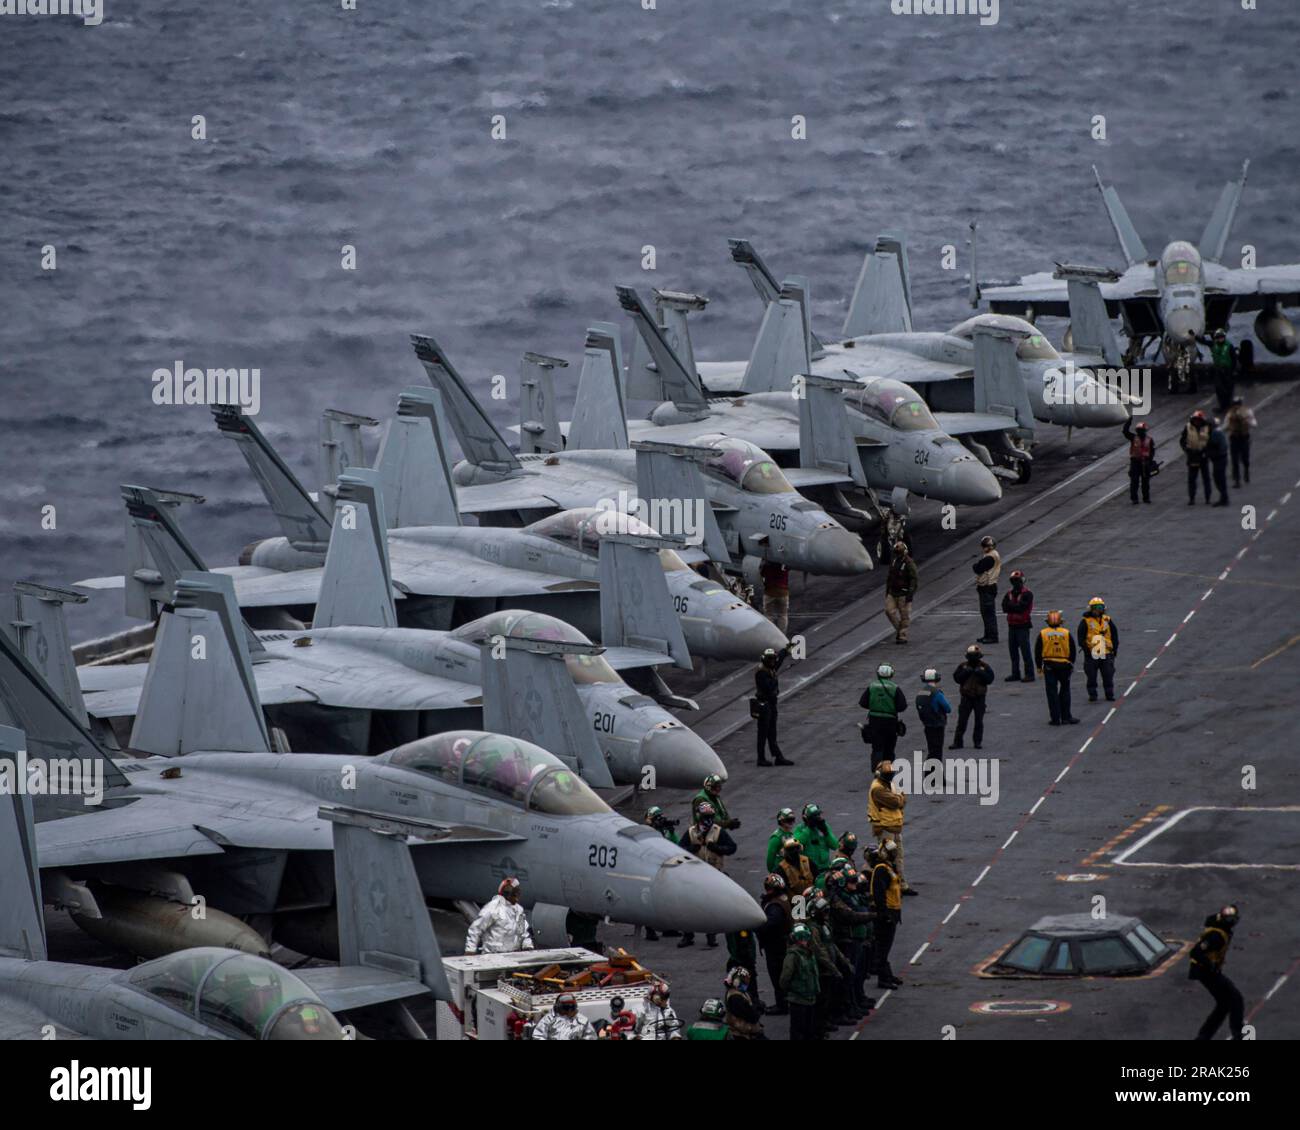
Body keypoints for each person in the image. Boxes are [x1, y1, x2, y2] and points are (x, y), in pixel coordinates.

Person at [677, 803, 736, 948]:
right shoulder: (691, 832)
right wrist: (691, 849)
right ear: (699, 817)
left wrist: (717, 848)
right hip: (694, 874)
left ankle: (711, 935)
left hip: (713, 873)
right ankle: (687, 935)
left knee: (711, 906)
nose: (708, 820)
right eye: (705, 817)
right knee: (689, 905)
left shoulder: (718, 832)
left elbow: (732, 847)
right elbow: (678, 849)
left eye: (710, 817)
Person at [1189, 905, 1244, 1041]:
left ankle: (1203, 1036)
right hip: (1205, 971)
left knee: (1224, 1004)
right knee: (1236, 999)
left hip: (1209, 971)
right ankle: (1238, 1034)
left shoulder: (1221, 927)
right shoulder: (1216, 935)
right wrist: (1211, 965)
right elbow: (1195, 952)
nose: (1232, 922)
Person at [868, 759, 914, 895]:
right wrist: (900, 798)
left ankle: (901, 884)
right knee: (887, 859)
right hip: (885, 828)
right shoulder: (877, 788)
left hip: (893, 826)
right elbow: (896, 802)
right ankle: (889, 887)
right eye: (888, 774)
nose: (890, 776)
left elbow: (900, 800)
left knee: (898, 856)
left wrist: (900, 798)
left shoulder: (888, 784)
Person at [464, 877, 534, 954]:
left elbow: (523, 931)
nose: (517, 899)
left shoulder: (518, 910)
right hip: (492, 956)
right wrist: (470, 950)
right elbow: (476, 929)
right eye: (514, 895)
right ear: (507, 894)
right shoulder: (493, 908)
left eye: (518, 894)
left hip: (513, 956)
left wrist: (528, 946)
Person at [870, 839, 904, 991]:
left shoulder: (889, 867)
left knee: (886, 946)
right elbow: (879, 894)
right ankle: (883, 979)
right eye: (891, 852)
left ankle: (887, 974)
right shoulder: (881, 869)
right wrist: (884, 914)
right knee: (883, 947)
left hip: (893, 912)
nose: (894, 854)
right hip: (887, 914)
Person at [859, 661, 908, 768]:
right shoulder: (895, 688)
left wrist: (875, 706)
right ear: (891, 674)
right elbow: (902, 706)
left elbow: (862, 703)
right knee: (889, 748)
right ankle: (887, 771)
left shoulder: (871, 686)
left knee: (877, 747)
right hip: (890, 722)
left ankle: (877, 768)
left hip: (875, 720)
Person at [1035, 610, 1080, 726]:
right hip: (1064, 665)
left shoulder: (1043, 633)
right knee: (1065, 690)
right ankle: (1066, 717)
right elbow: (1073, 650)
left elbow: (1038, 651)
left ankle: (1055, 718)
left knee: (1051, 693)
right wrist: (1071, 663)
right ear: (1061, 622)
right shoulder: (1066, 633)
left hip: (1049, 665)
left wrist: (1039, 666)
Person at [754, 644, 795, 767]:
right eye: (770, 659)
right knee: (763, 733)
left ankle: (778, 756)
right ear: (765, 659)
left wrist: (785, 651)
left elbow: (778, 661)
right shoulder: (762, 672)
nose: (773, 661)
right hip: (764, 705)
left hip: (770, 705)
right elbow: (768, 687)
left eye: (773, 658)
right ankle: (761, 758)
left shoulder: (768, 668)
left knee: (771, 733)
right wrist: (774, 679)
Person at [757, 873, 792, 1015]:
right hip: (785, 942)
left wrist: (754, 926)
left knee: (777, 976)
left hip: (776, 946)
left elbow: (770, 924)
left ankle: (782, 1005)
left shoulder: (774, 906)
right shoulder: (785, 898)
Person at [780, 924, 821, 1041]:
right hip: (798, 999)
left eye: (805, 938)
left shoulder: (808, 953)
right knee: (798, 1030)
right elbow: (785, 978)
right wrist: (792, 990)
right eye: (802, 939)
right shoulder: (793, 955)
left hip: (810, 997)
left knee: (809, 1029)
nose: (804, 941)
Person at [950, 644, 994, 750]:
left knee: (979, 721)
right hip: (966, 697)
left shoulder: (984, 667)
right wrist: (966, 672)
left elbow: (990, 679)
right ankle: (958, 742)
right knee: (962, 721)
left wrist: (981, 673)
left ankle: (977, 742)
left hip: (979, 697)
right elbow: (957, 678)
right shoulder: (963, 666)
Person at [1077, 596, 1119, 703]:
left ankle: (1109, 694)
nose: (1098, 609)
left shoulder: (1107, 620)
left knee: (1108, 675)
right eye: (1096, 607)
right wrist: (1086, 650)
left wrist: (1115, 649)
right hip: (1092, 653)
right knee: (1091, 676)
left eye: (1100, 607)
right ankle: (1093, 694)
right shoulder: (1085, 621)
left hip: (1106, 652)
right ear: (1091, 608)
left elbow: (1114, 635)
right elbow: (1080, 637)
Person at [1001, 569, 1035, 682]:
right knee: (1013, 652)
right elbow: (1004, 607)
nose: (1016, 583)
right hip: (1012, 625)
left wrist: (1012, 606)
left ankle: (1030, 674)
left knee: (1025, 651)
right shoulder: (1009, 593)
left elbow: (1021, 608)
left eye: (1017, 580)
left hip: (1023, 625)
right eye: (1014, 580)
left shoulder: (1027, 594)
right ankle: (1015, 673)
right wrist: (1014, 606)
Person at [884, 540, 918, 644]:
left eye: (899, 551)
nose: (897, 553)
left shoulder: (909, 563)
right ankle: (900, 631)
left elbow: (914, 579)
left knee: (904, 616)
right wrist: (887, 591)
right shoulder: (894, 562)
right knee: (888, 611)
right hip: (893, 592)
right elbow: (889, 577)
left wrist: (910, 594)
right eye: (896, 552)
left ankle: (902, 636)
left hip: (904, 594)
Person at [915, 668, 951, 761]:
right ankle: (934, 773)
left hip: (927, 724)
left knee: (932, 749)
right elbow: (948, 708)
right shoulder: (937, 693)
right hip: (937, 725)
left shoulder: (921, 693)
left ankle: (932, 773)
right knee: (937, 752)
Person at [972, 535, 1001, 643]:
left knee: (988, 613)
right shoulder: (992, 554)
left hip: (987, 587)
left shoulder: (989, 557)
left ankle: (992, 636)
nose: (984, 548)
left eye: (986, 546)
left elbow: (977, 568)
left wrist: (976, 565)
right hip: (988, 587)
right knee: (986, 613)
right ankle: (988, 634)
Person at [794, 803, 837, 875]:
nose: (818, 818)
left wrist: (826, 833)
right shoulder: (800, 829)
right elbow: (797, 843)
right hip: (809, 870)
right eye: (815, 816)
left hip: (825, 868)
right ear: (806, 818)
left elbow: (835, 845)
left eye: (818, 815)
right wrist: (808, 829)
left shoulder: (824, 826)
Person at [723, 967, 766, 1039]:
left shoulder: (740, 992)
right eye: (745, 981)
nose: (747, 983)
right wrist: (758, 1009)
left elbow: (755, 1002)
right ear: (737, 982)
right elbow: (752, 1016)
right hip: (742, 1032)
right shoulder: (735, 998)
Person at [531, 992, 596, 1040]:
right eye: (566, 1008)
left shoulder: (582, 1020)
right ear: (558, 1007)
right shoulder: (548, 1019)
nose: (569, 1011)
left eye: (572, 1007)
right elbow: (538, 1036)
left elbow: (591, 1036)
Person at [1122, 417, 1157, 504]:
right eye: (1139, 430)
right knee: (1134, 481)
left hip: (1145, 463)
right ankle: (1134, 499)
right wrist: (1128, 422)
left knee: (1145, 482)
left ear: (1144, 431)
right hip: (1135, 462)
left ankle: (1146, 498)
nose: (1140, 432)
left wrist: (1150, 460)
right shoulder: (1133, 438)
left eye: (1141, 430)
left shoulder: (1149, 440)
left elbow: (1152, 451)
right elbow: (1125, 432)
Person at [1180, 409, 1212, 505]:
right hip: (1192, 456)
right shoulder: (1188, 427)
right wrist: (1186, 450)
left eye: (1198, 420)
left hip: (1203, 456)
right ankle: (1192, 498)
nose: (1196, 421)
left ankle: (1207, 498)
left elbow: (1211, 441)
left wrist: (1207, 452)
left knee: (1206, 478)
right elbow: (1182, 441)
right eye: (1195, 419)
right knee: (1192, 479)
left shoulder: (1207, 427)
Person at [1225, 395, 1256, 487]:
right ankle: (1237, 480)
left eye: (1238, 404)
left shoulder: (1247, 412)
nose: (1236, 406)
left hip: (1244, 437)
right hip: (1234, 438)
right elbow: (1226, 425)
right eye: (1234, 404)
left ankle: (1246, 470)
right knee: (1234, 460)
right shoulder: (1230, 414)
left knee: (1245, 458)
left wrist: (1247, 421)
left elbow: (1254, 424)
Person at [760, 561, 790, 635]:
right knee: (783, 615)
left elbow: (762, 574)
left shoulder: (767, 565)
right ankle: (782, 634)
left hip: (769, 592)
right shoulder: (784, 564)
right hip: (783, 591)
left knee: (768, 615)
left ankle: (771, 634)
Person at [1207, 416, 1230, 506]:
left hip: (1219, 459)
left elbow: (1220, 447)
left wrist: (1213, 453)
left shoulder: (1215, 433)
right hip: (1219, 458)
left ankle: (1224, 498)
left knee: (1219, 478)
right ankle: (1223, 497)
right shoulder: (1216, 432)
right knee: (1219, 478)